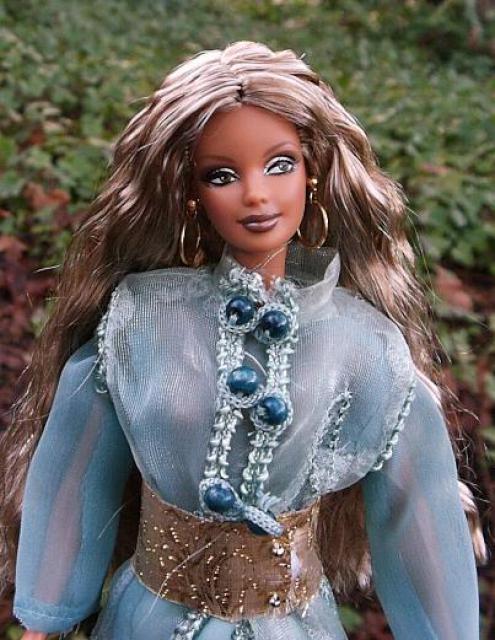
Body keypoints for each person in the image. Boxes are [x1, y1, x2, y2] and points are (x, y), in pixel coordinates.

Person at [0, 41, 484, 640]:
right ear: (191, 192)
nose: (256, 194)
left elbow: (417, 511)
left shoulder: (364, 343)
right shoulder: (142, 318)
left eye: (279, 164)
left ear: (313, 172)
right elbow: (79, 471)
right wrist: (47, 613)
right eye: (222, 175)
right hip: (150, 619)